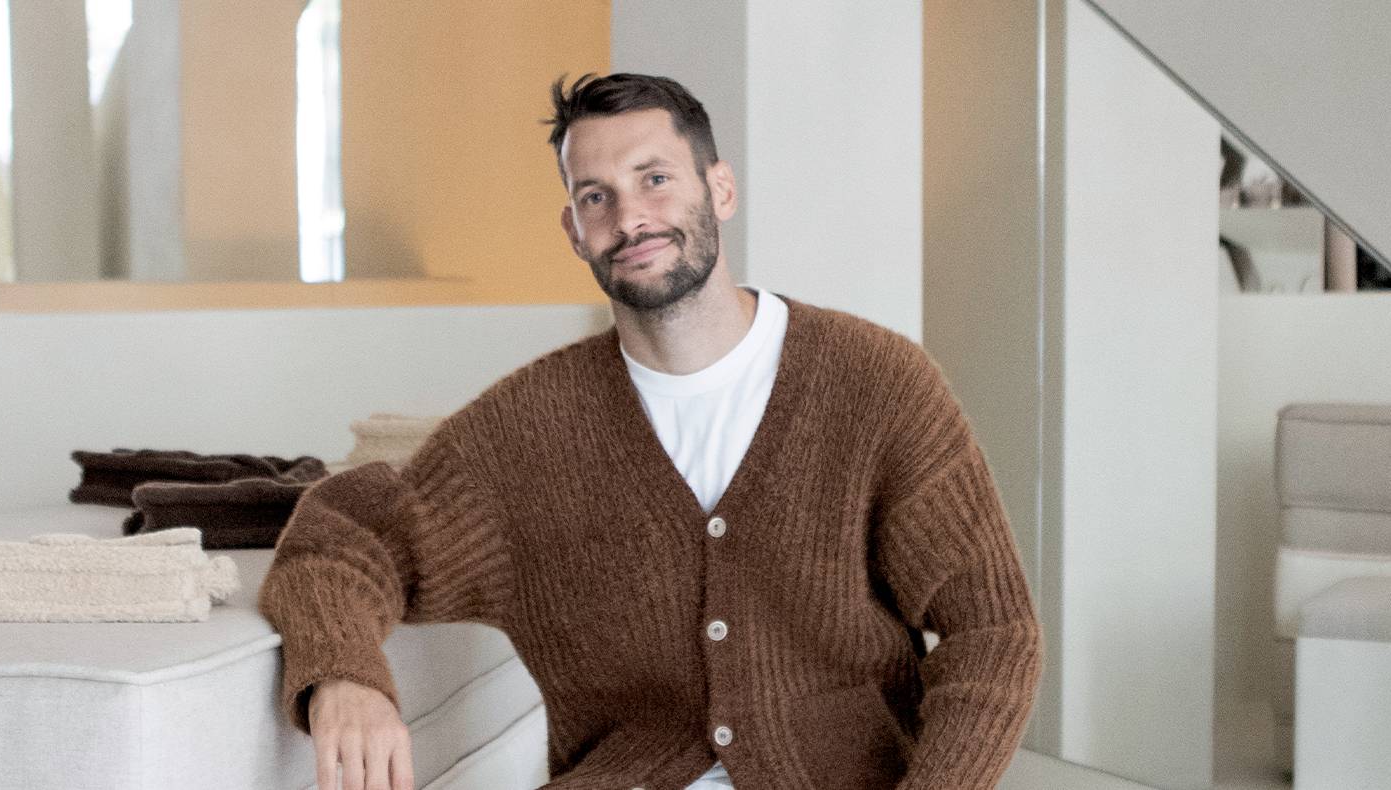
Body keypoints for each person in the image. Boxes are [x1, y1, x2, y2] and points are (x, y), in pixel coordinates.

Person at [257, 72, 1043, 790]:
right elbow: (344, 538)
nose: (630, 218)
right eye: (596, 197)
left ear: (720, 189)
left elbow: (995, 629)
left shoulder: (875, 383)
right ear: (574, 230)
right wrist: (345, 676)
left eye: (655, 179)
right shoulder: (528, 432)